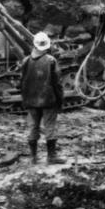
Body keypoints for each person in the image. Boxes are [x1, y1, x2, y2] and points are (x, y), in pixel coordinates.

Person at [20, 32, 65, 165]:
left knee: (33, 127)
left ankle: (33, 158)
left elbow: (21, 82)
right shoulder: (51, 60)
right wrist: (60, 101)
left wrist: (25, 99)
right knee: (50, 127)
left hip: (31, 100)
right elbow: (57, 83)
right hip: (48, 100)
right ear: (47, 45)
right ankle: (51, 157)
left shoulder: (25, 61)